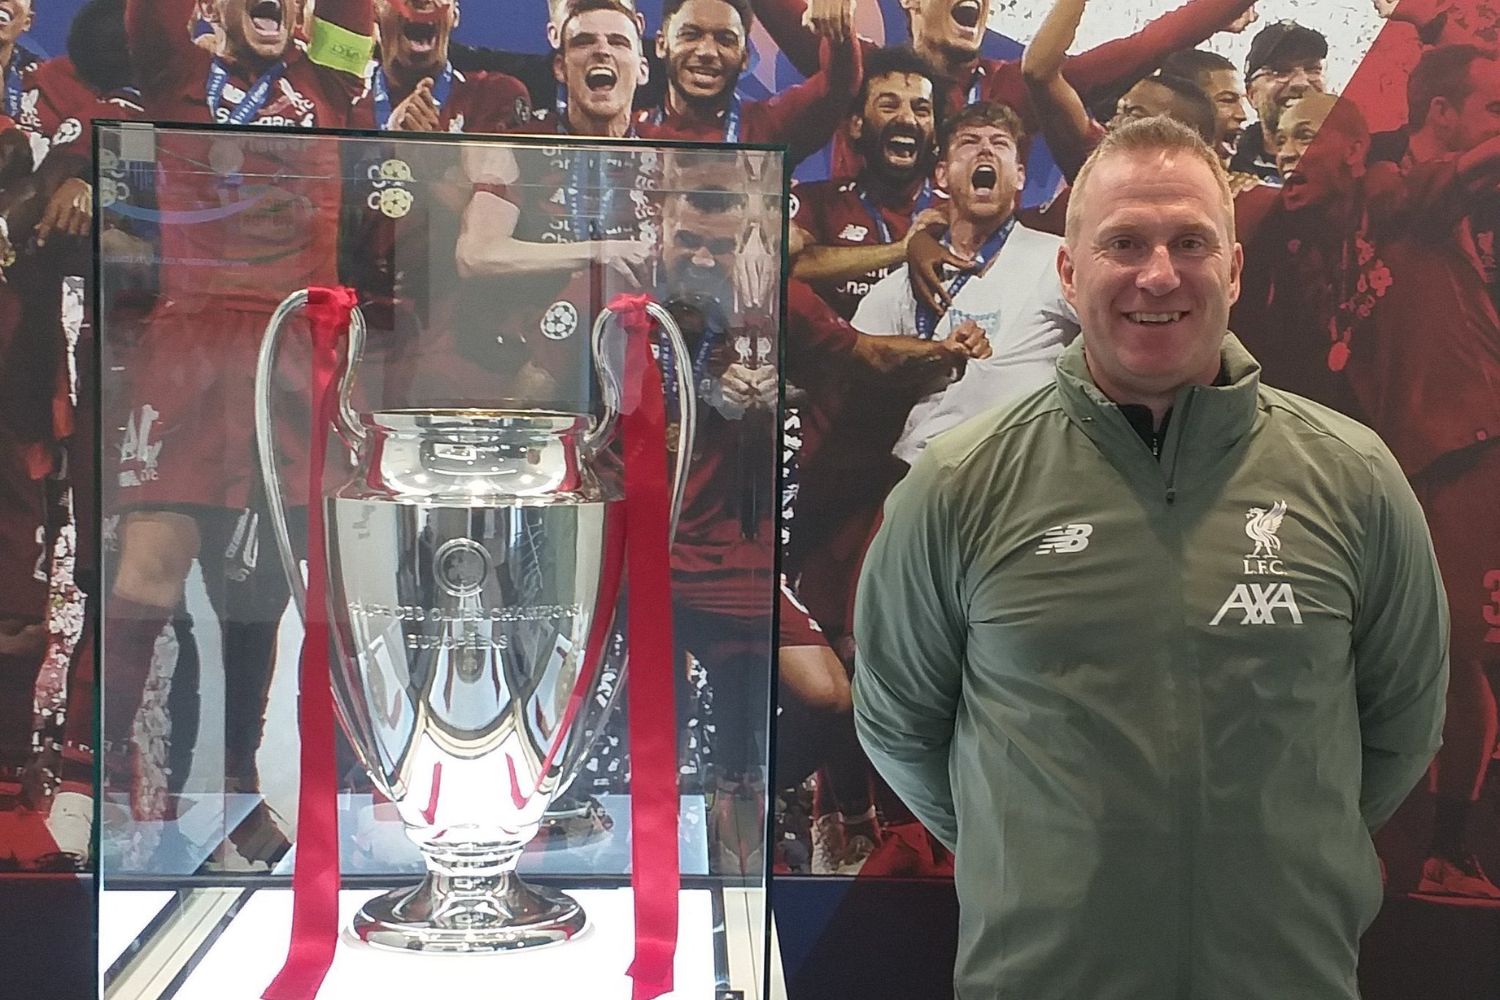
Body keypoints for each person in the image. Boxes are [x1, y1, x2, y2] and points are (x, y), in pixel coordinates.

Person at [853, 115, 1449, 999]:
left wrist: (1265, 866)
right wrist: (1035, 858)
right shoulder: (956, 486)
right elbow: (900, 727)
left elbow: (1402, 727)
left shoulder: (1353, 477)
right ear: (1069, 269)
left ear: (1236, 270)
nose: (1158, 274)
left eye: (1191, 242)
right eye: (1123, 242)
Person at [638, 0, 859, 169]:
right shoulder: (630, 131)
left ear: (745, 57)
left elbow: (838, 87)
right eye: (690, 35)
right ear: (661, 45)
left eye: (725, 39)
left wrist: (839, 32)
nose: (706, 51)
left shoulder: (771, 127)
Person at [1230, 18, 1328, 183]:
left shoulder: (1362, 160)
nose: (1301, 82)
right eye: (1280, 71)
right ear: (1252, 95)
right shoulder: (1225, 166)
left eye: (1312, 69)